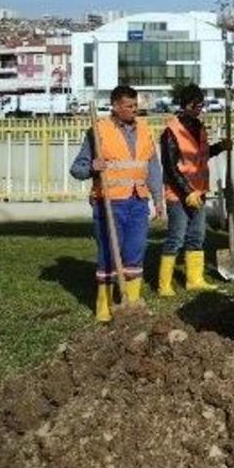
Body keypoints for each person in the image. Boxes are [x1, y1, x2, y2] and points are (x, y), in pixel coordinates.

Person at [69, 85, 164, 322]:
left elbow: (152, 167)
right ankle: (104, 304)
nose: (134, 110)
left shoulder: (144, 130)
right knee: (109, 254)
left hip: (138, 201)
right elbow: (77, 169)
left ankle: (131, 301)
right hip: (110, 203)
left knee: (136, 250)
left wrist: (158, 198)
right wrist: (92, 167)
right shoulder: (99, 131)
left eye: (136, 105)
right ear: (115, 106)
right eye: (129, 106)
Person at [157, 83, 232, 296]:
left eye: (202, 104)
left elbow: (201, 156)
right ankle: (164, 284)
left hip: (198, 192)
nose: (200, 108)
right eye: (197, 105)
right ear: (186, 105)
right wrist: (186, 191)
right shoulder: (171, 132)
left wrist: (220, 147)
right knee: (176, 237)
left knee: (197, 236)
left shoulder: (199, 128)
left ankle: (195, 279)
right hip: (179, 195)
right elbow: (171, 168)